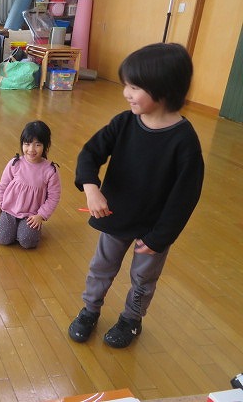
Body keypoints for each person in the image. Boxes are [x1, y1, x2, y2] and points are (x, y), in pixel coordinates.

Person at [68, 42, 204, 348]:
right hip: (115, 217)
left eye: (134, 87)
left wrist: (159, 238)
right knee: (101, 268)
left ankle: (131, 320)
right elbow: (90, 153)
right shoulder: (125, 122)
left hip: (152, 230)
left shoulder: (184, 141)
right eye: (126, 85)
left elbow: (185, 198)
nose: (125, 93)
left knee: (143, 279)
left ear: (163, 88)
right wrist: (91, 187)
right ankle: (90, 310)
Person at [0, 120, 61, 248]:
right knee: (4, 238)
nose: (31, 149)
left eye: (37, 145)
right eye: (27, 144)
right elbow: (2, 186)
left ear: (46, 145)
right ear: (22, 144)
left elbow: (53, 197)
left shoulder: (50, 170)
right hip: (9, 211)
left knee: (28, 241)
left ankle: (20, 231)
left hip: (31, 215)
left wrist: (41, 215)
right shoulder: (15, 163)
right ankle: (5, 227)